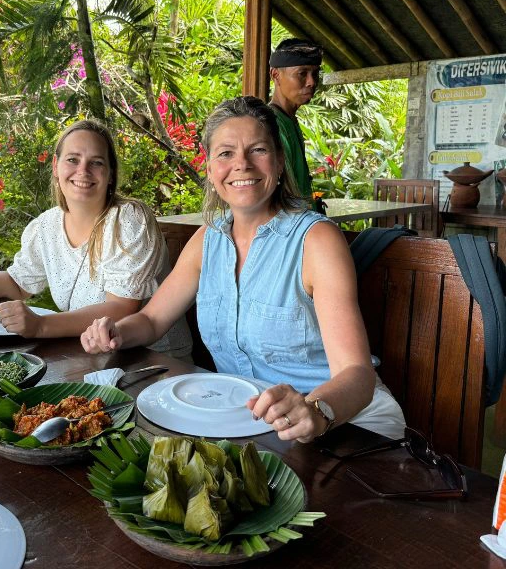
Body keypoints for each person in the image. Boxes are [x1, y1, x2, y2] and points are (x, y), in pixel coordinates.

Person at [80, 97, 405, 442]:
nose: (242, 165)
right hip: (250, 426)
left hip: (347, 424)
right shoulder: (209, 239)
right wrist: (116, 332)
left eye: (258, 150)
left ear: (279, 162)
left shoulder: (316, 239)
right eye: (226, 153)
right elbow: (152, 320)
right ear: (209, 168)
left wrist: (316, 410)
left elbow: (357, 373)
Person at [0, 119, 192, 358]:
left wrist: (40, 326)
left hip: (151, 360)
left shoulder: (129, 220)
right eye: (73, 159)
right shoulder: (46, 225)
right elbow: (18, 283)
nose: (83, 171)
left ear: (110, 174)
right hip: (89, 355)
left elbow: (121, 307)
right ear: (56, 166)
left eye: (96, 162)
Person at [269, 38, 322, 200]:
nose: (311, 82)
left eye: (315, 74)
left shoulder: (289, 120)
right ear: (276, 75)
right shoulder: (270, 123)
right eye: (302, 74)